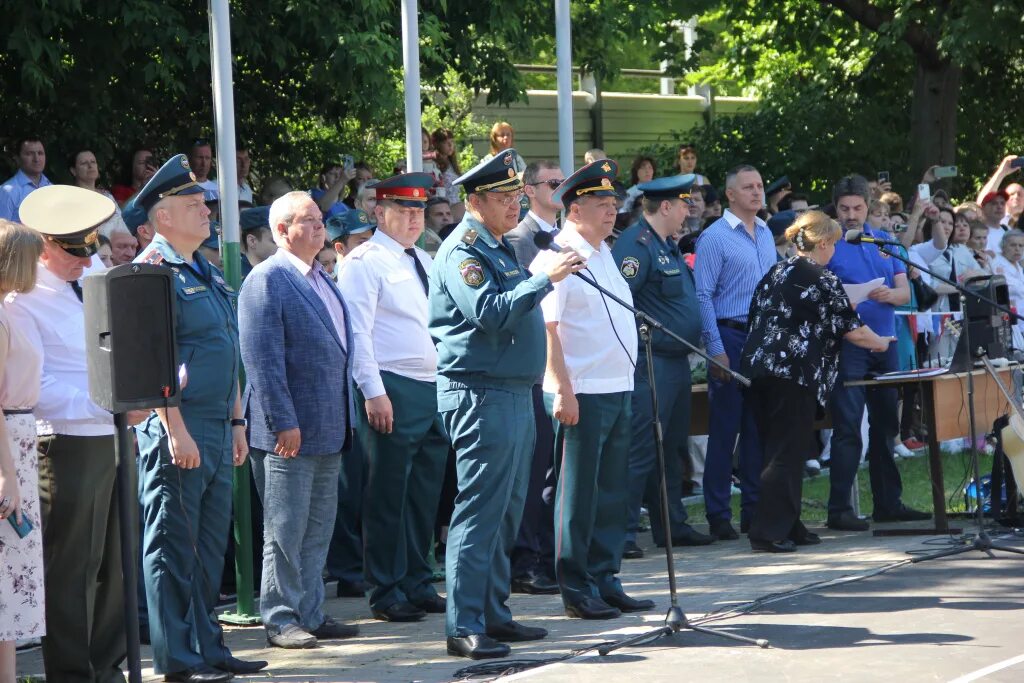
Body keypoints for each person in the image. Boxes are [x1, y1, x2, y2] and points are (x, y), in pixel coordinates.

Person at [428, 149, 584, 659]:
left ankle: (494, 612)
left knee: (506, 511)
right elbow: (489, 314)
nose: (514, 206)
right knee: (478, 510)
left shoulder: (497, 247)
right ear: (475, 201)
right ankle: (464, 623)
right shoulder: (464, 249)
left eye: (518, 196)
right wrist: (546, 279)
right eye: (504, 198)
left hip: (514, 392)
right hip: (479, 392)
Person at [132, 155, 266, 681]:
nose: (206, 211)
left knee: (210, 546)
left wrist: (237, 419)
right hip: (178, 426)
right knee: (171, 543)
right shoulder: (152, 272)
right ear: (163, 217)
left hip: (215, 423)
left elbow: (225, 347)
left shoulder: (205, 269)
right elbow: (153, 360)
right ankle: (177, 658)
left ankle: (209, 646)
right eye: (193, 205)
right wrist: (175, 429)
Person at [6, 185, 127, 682]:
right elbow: (36, 385)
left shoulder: (94, 275)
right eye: (74, 252)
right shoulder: (20, 297)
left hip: (115, 433)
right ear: (47, 246)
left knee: (115, 566)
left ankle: (106, 666)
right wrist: (102, 407)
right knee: (73, 566)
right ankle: (73, 674)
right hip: (67, 440)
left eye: (90, 248)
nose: (86, 259)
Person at [532, 159, 654, 618]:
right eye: (602, 204)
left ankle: (606, 577)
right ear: (575, 209)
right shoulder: (556, 256)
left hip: (617, 387)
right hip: (581, 390)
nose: (612, 211)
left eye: (613, 203)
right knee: (577, 495)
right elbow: (549, 328)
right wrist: (562, 388)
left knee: (610, 493)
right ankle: (576, 587)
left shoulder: (603, 253)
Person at [239, 191, 360, 650]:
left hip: (329, 425)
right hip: (287, 431)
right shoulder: (267, 280)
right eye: (306, 221)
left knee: (317, 526)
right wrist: (281, 419)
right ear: (281, 231)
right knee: (284, 528)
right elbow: (262, 359)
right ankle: (280, 616)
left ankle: (310, 609)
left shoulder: (322, 277)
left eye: (318, 220)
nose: (318, 227)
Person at [742, 211, 892, 552]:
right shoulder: (820, 277)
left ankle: (790, 525)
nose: (835, 251)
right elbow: (852, 329)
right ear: (822, 243)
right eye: (834, 244)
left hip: (760, 371)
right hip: (792, 374)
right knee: (785, 452)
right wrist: (882, 342)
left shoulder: (777, 271)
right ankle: (768, 532)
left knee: (784, 450)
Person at [337, 173, 450, 623]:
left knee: (424, 493)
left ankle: (418, 580)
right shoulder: (364, 261)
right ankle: (385, 588)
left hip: (430, 384)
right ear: (378, 213)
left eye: (419, 211)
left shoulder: (421, 256)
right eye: (403, 211)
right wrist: (373, 391)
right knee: (387, 493)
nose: (413, 218)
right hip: (392, 383)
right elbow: (357, 333)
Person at [613, 175, 714, 558]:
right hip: (649, 362)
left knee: (671, 447)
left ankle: (671, 524)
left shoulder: (665, 246)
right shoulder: (635, 246)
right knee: (641, 448)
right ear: (666, 207)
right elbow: (622, 303)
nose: (689, 211)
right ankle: (621, 532)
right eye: (684, 205)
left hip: (674, 362)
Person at [824, 174, 928, 531]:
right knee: (849, 427)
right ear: (835, 209)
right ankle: (840, 509)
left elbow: (903, 293)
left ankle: (889, 503)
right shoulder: (829, 243)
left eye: (857, 208)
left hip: (887, 343)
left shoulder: (886, 242)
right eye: (844, 208)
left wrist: (889, 295)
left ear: (868, 207)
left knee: (886, 426)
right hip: (849, 345)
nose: (851, 215)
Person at [694, 164, 775, 540]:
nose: (757, 193)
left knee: (758, 428)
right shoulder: (714, 238)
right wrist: (715, 349)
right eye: (748, 187)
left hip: (761, 338)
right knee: (725, 430)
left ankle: (755, 510)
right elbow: (703, 295)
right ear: (730, 194)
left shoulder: (766, 233)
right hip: (729, 335)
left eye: (759, 186)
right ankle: (718, 513)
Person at [503, 159, 564, 593]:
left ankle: (549, 552)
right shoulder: (517, 240)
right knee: (534, 468)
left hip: (568, 369)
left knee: (556, 471)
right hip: (535, 371)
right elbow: (529, 309)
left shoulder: (569, 238)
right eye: (554, 183)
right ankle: (525, 560)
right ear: (528, 190)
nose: (561, 189)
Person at [0, 220, 46, 683]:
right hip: (9, 442)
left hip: (20, 436)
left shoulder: (10, 310)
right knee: (7, 563)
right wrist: (7, 474)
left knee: (13, 571)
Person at [505, 160, 564, 268]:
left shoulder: (564, 235)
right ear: (530, 191)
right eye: (554, 183)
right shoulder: (519, 238)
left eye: (563, 183)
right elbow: (524, 284)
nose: (561, 189)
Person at [0, 138, 51, 222]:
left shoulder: (51, 187)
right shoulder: (7, 192)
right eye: (29, 154)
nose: (36, 159)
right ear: (17, 159)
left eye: (40, 153)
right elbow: (2, 230)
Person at [432, 128, 465, 221]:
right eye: (446, 142)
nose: (450, 145)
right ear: (437, 144)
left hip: (456, 207)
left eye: (452, 142)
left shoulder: (452, 164)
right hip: (442, 210)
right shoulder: (434, 164)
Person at [239, 206, 277, 279]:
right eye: (274, 241)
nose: (282, 246)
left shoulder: (282, 271)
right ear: (252, 241)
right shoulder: (235, 276)